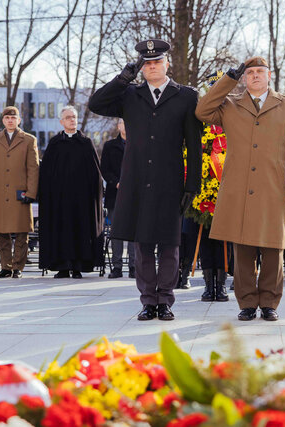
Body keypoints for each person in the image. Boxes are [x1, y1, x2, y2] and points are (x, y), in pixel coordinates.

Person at [89, 39, 202, 321]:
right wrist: (124, 76)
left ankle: (165, 299)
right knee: (141, 246)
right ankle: (147, 301)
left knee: (169, 244)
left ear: (167, 64)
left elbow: (195, 144)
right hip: (137, 181)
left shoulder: (186, 96)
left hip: (170, 181)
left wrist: (193, 185)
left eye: (157, 62)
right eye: (147, 64)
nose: (152, 67)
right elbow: (96, 103)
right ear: (142, 68)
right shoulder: (130, 94)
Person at [195, 56, 285, 321]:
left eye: (260, 71)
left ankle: (269, 303)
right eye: (250, 72)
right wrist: (228, 79)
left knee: (272, 249)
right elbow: (202, 111)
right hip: (238, 187)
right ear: (244, 78)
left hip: (273, 187)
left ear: (269, 75)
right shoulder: (230, 105)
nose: (255, 75)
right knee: (242, 248)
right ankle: (246, 303)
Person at [38, 105, 104, 278]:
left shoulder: (86, 143)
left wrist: (93, 196)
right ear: (61, 121)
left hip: (81, 200)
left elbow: (95, 173)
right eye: (68, 117)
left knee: (79, 231)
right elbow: (45, 174)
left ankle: (77, 266)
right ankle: (62, 266)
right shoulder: (54, 144)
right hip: (59, 200)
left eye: (74, 117)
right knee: (60, 231)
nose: (72, 120)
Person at [0, 106, 39, 279]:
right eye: (7, 118)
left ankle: (18, 267)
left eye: (13, 118)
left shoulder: (29, 140)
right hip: (0, 193)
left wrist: (31, 192)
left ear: (19, 120)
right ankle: (6, 266)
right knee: (2, 232)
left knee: (22, 232)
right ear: (3, 120)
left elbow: (33, 168)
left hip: (20, 193)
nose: (10, 121)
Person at [100, 118, 135, 278]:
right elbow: (104, 169)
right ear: (119, 125)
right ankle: (117, 267)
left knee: (135, 232)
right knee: (116, 232)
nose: (126, 124)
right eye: (122, 121)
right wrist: (116, 183)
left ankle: (135, 266)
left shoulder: (139, 143)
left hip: (136, 194)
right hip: (116, 194)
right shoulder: (109, 146)